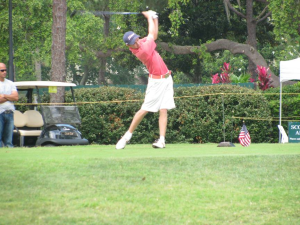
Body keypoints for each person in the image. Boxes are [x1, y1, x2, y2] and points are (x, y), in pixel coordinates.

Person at [116, 10, 175, 149]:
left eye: (136, 39)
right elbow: (151, 36)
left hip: (167, 78)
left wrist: (155, 18)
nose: (137, 42)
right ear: (128, 46)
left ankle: (161, 140)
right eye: (133, 42)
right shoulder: (142, 51)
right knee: (144, 109)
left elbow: (153, 34)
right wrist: (149, 17)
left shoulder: (141, 43)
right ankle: (126, 137)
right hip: (156, 82)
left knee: (164, 109)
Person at [0, 63, 19, 147]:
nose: (4, 72)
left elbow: (15, 97)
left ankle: (10, 153)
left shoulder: (10, 83)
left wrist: (4, 95)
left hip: (10, 113)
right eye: (2, 70)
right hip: (0, 112)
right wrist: (9, 97)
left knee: (9, 139)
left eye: (5, 70)